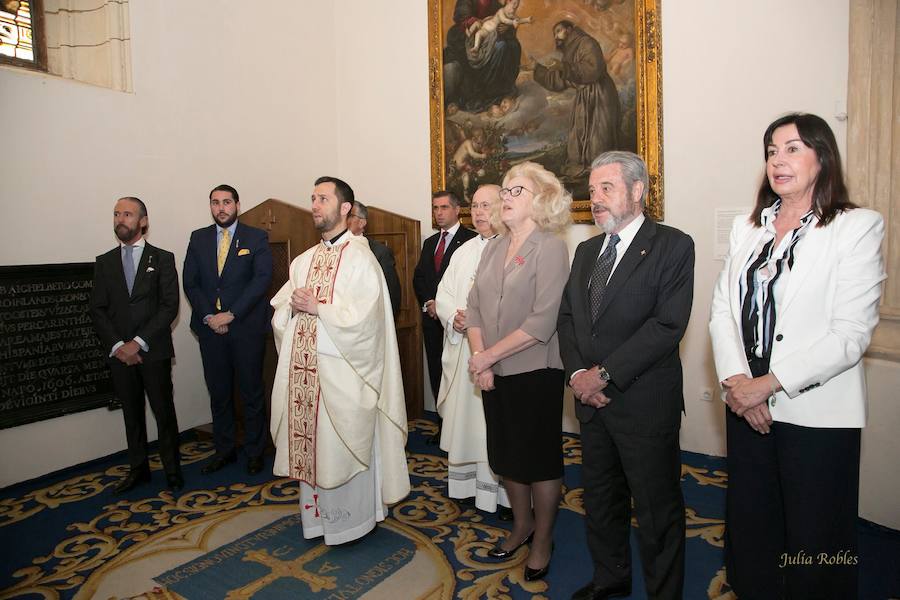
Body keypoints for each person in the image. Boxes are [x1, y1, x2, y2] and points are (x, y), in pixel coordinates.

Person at [709, 113, 885, 600]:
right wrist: (737, 383)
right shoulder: (751, 229)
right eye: (770, 150)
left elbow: (850, 335)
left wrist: (768, 384)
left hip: (816, 410)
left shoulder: (856, 227)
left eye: (791, 148)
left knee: (816, 537)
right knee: (753, 525)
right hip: (747, 403)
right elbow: (722, 309)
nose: (777, 160)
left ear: (822, 157)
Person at [558, 151, 694, 600]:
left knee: (657, 512)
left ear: (638, 191)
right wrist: (579, 373)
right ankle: (610, 577)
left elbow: (667, 326)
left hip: (643, 407)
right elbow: (568, 319)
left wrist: (604, 374)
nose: (595, 200)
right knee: (600, 502)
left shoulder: (673, 246)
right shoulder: (585, 251)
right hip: (593, 408)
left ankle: (663, 593)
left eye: (607, 188)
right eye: (592, 191)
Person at [269, 176, 410, 545]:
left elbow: (367, 323)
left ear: (345, 208)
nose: (315, 204)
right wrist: (290, 310)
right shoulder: (303, 260)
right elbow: (282, 311)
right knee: (313, 449)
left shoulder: (362, 260)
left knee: (341, 448)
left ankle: (352, 522)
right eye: (313, 198)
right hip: (307, 378)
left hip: (343, 377)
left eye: (323, 198)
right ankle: (318, 521)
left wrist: (318, 309)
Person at [466, 162, 571, 582]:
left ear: (540, 200)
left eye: (516, 191)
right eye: (505, 191)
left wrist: (486, 357)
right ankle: (521, 524)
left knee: (539, 459)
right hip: (493, 369)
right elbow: (474, 307)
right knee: (506, 453)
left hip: (535, 370)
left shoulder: (551, 246)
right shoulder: (493, 245)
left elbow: (542, 321)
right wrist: (481, 359)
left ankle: (543, 537)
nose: (505, 198)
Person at [90, 197, 182, 493]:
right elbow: (98, 309)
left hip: (152, 351)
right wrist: (119, 345)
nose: (121, 219)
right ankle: (138, 469)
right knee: (132, 414)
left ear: (143, 221)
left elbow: (169, 307)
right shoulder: (104, 262)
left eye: (128, 214)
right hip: (120, 354)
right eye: (117, 213)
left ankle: (172, 470)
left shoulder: (163, 258)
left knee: (163, 412)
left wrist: (138, 343)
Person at [183, 184, 273, 476]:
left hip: (245, 328)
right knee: (219, 393)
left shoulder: (256, 237)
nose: (220, 208)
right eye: (215, 203)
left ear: (237, 205)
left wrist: (230, 315)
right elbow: (190, 282)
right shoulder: (198, 238)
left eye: (226, 202)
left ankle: (254, 451)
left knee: (251, 392)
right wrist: (210, 316)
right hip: (210, 330)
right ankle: (224, 451)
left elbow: (261, 280)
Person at [434, 184, 511, 519]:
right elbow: (444, 293)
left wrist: (478, 319)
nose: (479, 212)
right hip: (464, 351)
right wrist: (455, 316)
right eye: (475, 206)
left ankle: (508, 497)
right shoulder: (463, 251)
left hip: (499, 354)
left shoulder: (514, 247)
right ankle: (466, 488)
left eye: (487, 205)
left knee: (499, 427)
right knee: (467, 423)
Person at [414, 191, 477, 444]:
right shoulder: (430, 243)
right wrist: (430, 303)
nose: (438, 213)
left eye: (443, 207)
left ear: (456, 210)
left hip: (462, 325)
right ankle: (443, 426)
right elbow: (420, 278)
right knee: (437, 373)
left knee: (461, 378)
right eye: (435, 208)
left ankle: (461, 428)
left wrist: (449, 309)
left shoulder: (472, 240)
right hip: (433, 322)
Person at [534, 20, 621, 178]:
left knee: (598, 134)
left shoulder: (587, 43)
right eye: (554, 33)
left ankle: (601, 174)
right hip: (584, 95)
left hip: (600, 94)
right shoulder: (570, 51)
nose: (556, 36)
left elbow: (593, 69)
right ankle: (585, 170)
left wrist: (564, 67)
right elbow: (563, 79)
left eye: (559, 31)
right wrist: (538, 71)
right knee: (579, 131)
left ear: (569, 29)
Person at [443, 0, 523, 113]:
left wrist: (507, 28)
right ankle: (476, 94)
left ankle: (493, 91)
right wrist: (473, 22)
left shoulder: (496, 5)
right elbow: (461, 16)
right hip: (468, 37)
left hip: (489, 40)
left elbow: (506, 21)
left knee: (511, 46)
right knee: (498, 47)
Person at [347, 200, 402, 316]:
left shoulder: (379, 252)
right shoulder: (332, 249)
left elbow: (392, 294)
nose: (344, 220)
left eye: (350, 216)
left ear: (362, 223)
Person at [468, 0, 532, 54]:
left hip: (492, 31)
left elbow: (518, 20)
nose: (515, 7)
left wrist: (526, 20)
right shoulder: (501, 11)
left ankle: (476, 47)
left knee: (514, 45)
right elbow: (504, 20)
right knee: (479, 34)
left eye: (517, 5)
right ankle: (476, 47)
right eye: (514, 4)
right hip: (487, 28)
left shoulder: (508, 13)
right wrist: (513, 22)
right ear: (508, 2)